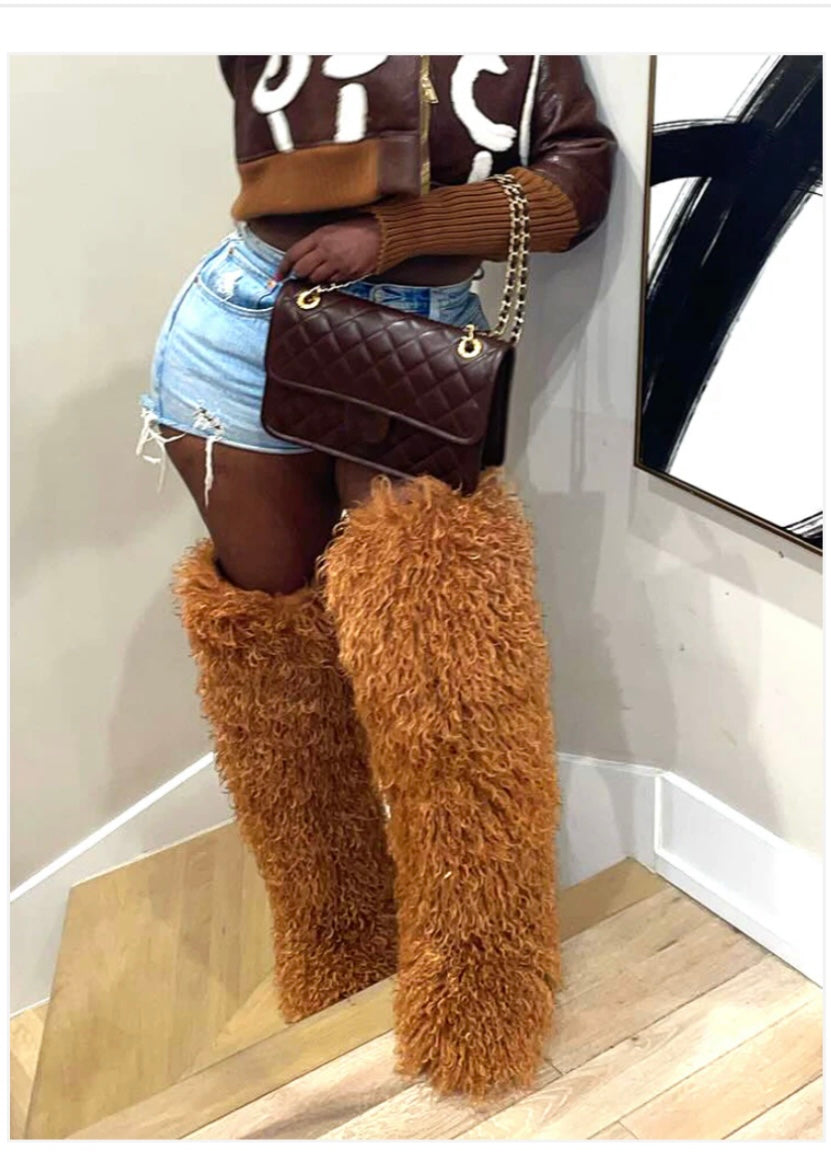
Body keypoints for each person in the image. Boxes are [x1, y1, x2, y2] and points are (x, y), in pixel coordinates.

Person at [136, 55, 616, 1101]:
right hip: (238, 323)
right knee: (279, 675)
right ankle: (335, 945)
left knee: (452, 688)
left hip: (419, 334)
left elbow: (578, 183)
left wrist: (399, 232)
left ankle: (482, 993)